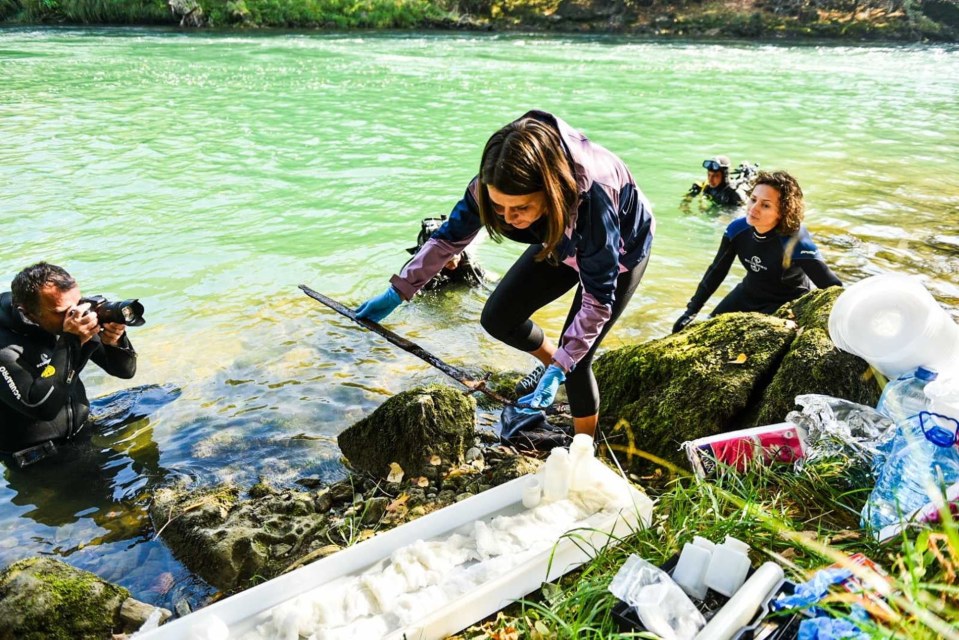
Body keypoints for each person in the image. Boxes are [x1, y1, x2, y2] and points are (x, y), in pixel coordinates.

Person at [356, 110, 655, 437]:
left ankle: (584, 448)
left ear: (549, 190)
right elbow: (447, 239)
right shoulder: (493, 181)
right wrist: (399, 290)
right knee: (498, 317)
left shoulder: (594, 198)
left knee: (578, 364)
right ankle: (548, 366)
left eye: (520, 208)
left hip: (620, 251)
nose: (508, 218)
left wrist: (565, 364)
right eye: (499, 209)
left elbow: (597, 301)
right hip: (556, 237)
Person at [673, 170, 842, 333]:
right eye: (753, 199)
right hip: (747, 293)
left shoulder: (795, 241)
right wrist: (691, 311)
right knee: (706, 329)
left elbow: (832, 287)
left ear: (783, 212)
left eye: (765, 205)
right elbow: (716, 271)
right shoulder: (737, 230)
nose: (753, 208)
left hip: (785, 303)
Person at [0, 262, 137, 461]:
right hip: (38, 458)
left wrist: (114, 341)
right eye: (61, 312)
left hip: (83, 431)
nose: (74, 316)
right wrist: (70, 340)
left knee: (165, 393)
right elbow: (41, 407)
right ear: (27, 313)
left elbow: (124, 371)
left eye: (78, 304)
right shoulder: (4, 346)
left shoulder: (66, 318)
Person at [407, 216, 487, 291]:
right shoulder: (426, 267)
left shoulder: (466, 261)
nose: (446, 257)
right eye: (443, 255)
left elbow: (484, 281)